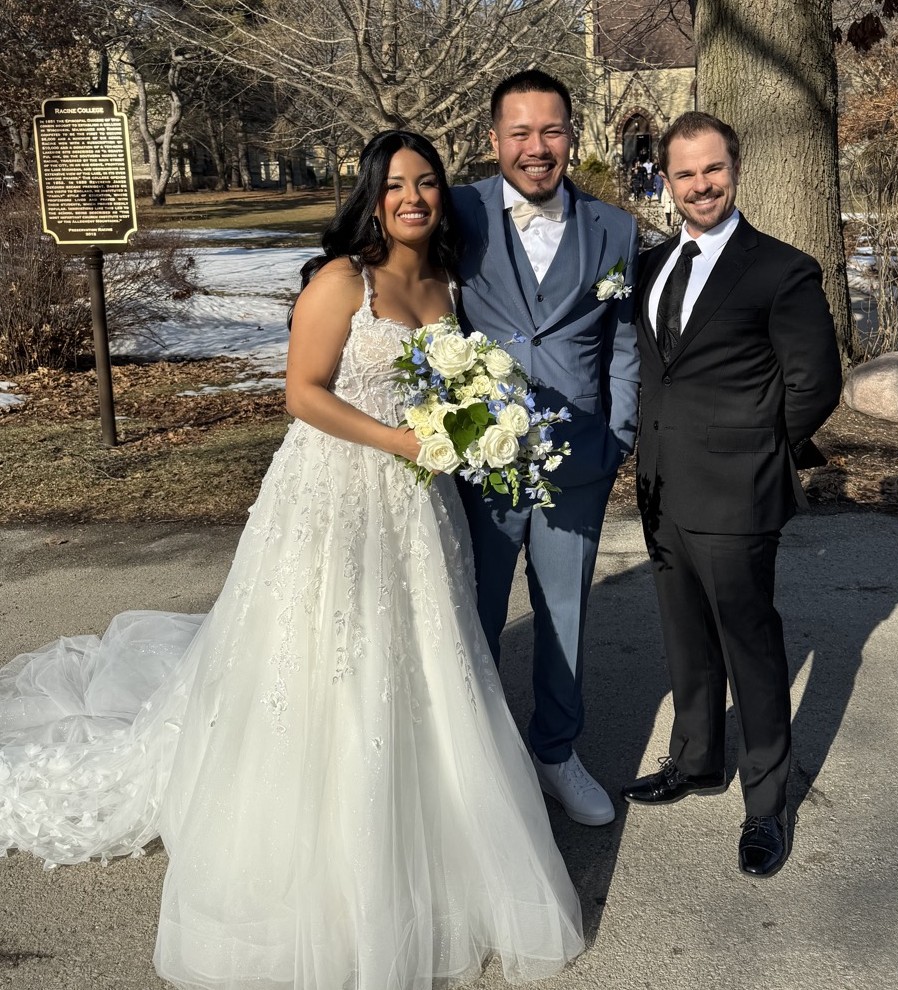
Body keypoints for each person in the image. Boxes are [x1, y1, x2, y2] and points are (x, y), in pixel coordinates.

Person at [0, 130, 584, 989]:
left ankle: (427, 835)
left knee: (422, 660)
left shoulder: (445, 284)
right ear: (371, 196)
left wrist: (471, 431)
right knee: (323, 659)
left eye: (426, 183)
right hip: (332, 496)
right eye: (396, 185)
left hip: (417, 510)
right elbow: (302, 395)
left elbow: (454, 389)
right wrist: (398, 439)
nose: (413, 198)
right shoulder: (341, 280)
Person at [621, 111, 842, 877]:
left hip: (737, 491)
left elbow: (815, 385)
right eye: (685, 174)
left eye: (712, 169)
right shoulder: (651, 265)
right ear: (668, 181)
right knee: (684, 634)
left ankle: (766, 803)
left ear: (735, 168)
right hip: (661, 488)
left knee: (751, 648)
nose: (700, 184)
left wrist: (750, 450)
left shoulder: (781, 269)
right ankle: (698, 759)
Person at [451, 71, 640, 829]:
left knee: (565, 612)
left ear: (573, 135)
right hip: (479, 458)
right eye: (520, 133)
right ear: (494, 138)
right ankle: (482, 762)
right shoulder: (455, 211)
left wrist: (617, 436)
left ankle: (557, 752)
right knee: (477, 613)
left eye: (552, 130)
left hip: (579, 457)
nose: (537, 148)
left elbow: (623, 342)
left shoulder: (615, 229)